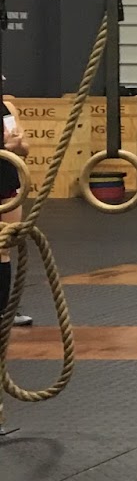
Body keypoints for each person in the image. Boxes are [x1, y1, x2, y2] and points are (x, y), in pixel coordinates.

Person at [2, 92, 30, 326]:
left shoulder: (8, 108)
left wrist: (18, 144)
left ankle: (5, 309)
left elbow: (24, 149)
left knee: (4, 247)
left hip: (6, 182)